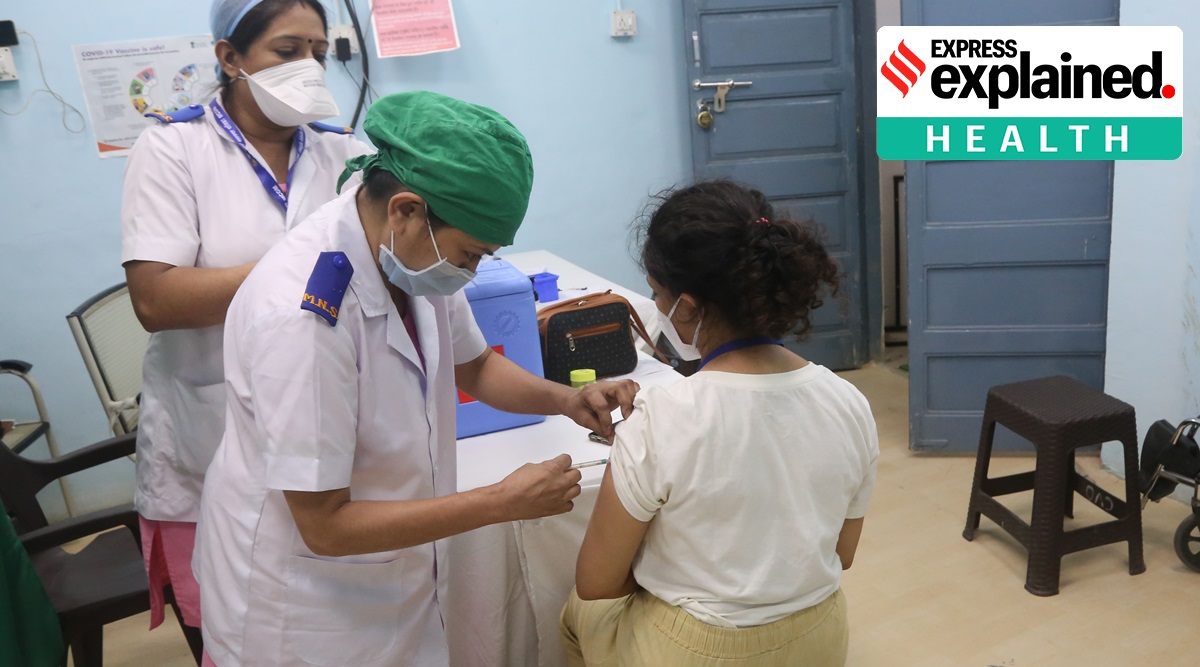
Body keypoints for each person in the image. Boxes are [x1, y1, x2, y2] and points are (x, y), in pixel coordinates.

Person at [195, 90, 639, 667]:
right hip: (304, 606)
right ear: (406, 210)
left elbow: (473, 365)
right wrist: (500, 501)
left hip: (391, 571)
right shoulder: (303, 317)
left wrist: (569, 399)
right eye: (471, 254)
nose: (472, 270)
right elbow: (324, 526)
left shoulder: (411, 257)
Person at [119, 0, 369, 656]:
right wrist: (296, 270)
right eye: (287, 51)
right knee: (234, 636)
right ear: (230, 57)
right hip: (208, 435)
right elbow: (156, 298)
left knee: (329, 632)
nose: (309, 67)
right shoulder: (173, 147)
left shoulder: (343, 149)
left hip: (327, 437)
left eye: (319, 50)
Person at [560, 180, 880, 666]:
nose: (657, 311)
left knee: (576, 614)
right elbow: (844, 552)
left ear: (686, 307)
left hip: (698, 650)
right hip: (819, 636)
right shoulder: (849, 402)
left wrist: (673, 573)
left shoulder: (662, 417)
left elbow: (598, 581)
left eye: (656, 296)